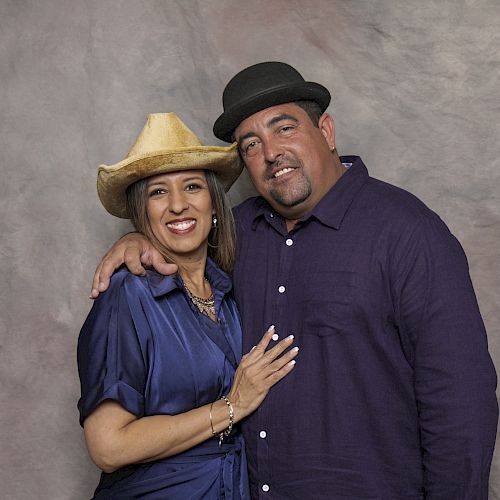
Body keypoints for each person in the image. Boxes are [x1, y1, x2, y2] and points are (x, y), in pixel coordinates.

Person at [89, 64, 498, 499]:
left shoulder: (407, 231)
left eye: (284, 128)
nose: (270, 153)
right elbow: (179, 242)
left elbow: (460, 401)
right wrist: (136, 240)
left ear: (326, 130)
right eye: (251, 144)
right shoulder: (235, 234)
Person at [77, 112, 298, 499]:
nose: (178, 205)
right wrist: (232, 405)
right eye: (158, 192)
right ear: (141, 211)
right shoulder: (128, 296)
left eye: (192, 186)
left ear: (214, 204)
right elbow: (108, 447)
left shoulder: (227, 293)